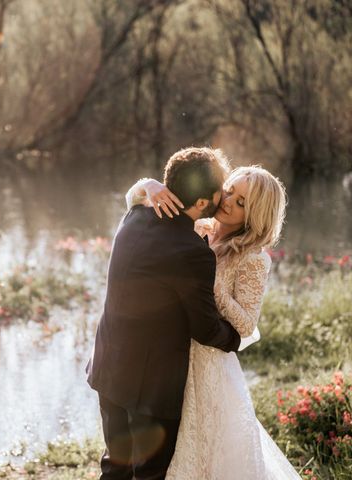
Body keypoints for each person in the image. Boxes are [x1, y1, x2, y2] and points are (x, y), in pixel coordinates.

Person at [126, 163, 301, 479]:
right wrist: (147, 184)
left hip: (207, 365)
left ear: (255, 215)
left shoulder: (253, 258)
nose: (229, 202)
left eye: (242, 203)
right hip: (166, 355)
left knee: (204, 456)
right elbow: (136, 214)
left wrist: (216, 287)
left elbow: (246, 324)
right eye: (230, 190)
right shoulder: (197, 225)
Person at [86, 147, 242, 480]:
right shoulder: (193, 252)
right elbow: (205, 328)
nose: (224, 198)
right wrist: (236, 338)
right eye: (220, 192)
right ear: (202, 204)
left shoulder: (135, 216)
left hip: (109, 367)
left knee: (115, 468)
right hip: (151, 389)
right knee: (150, 474)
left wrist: (147, 185)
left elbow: (136, 195)